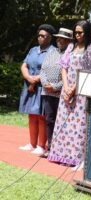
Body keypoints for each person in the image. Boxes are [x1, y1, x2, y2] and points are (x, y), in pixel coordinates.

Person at [48, 20, 91, 169]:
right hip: (67, 89)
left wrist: (74, 87)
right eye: (76, 32)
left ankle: (76, 157)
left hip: (81, 91)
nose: (77, 35)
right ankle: (62, 154)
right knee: (64, 121)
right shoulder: (71, 46)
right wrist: (67, 86)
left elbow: (89, 70)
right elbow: (64, 67)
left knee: (78, 124)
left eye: (80, 32)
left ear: (87, 33)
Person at [19, 24, 56, 155]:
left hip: (42, 87)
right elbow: (24, 65)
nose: (40, 38)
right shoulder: (33, 50)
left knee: (42, 116)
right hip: (30, 87)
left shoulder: (53, 52)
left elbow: (51, 70)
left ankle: (41, 146)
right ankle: (32, 143)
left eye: (43, 36)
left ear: (50, 38)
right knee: (32, 115)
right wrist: (29, 78)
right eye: (39, 35)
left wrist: (35, 80)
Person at [39, 28, 73, 157]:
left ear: (69, 41)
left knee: (62, 121)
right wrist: (45, 84)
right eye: (58, 38)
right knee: (49, 120)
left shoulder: (71, 54)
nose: (59, 40)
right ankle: (50, 147)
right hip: (47, 92)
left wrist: (56, 87)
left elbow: (70, 74)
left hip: (61, 93)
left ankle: (61, 150)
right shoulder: (52, 51)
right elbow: (42, 70)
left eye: (62, 38)